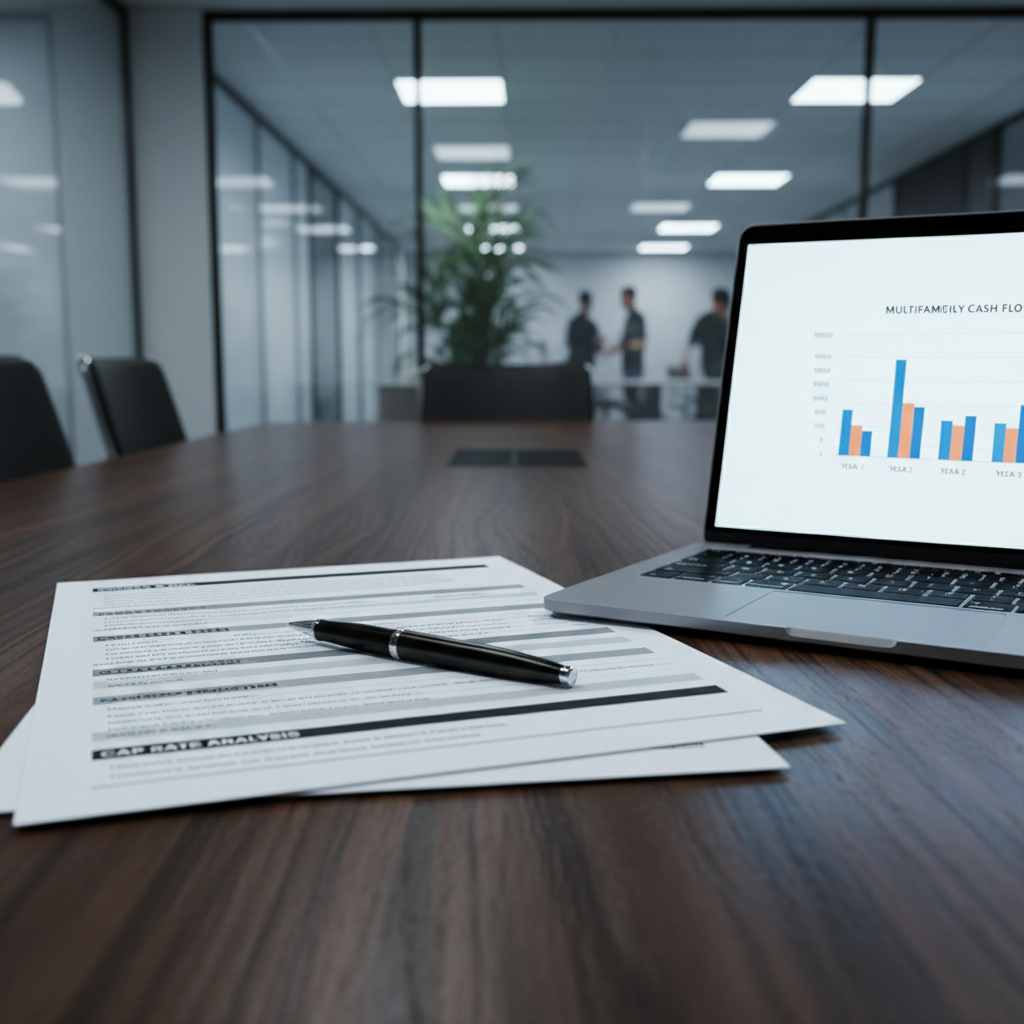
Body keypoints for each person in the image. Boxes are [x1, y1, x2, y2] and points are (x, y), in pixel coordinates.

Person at [683, 289, 729, 378]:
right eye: (716, 303)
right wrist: (685, 360)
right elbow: (691, 343)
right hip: (706, 372)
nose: (718, 306)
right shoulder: (705, 322)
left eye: (721, 304)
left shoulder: (727, 324)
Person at [566, 291, 602, 364]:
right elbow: (596, 346)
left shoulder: (575, 323)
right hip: (584, 361)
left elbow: (569, 342)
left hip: (576, 361)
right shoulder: (589, 326)